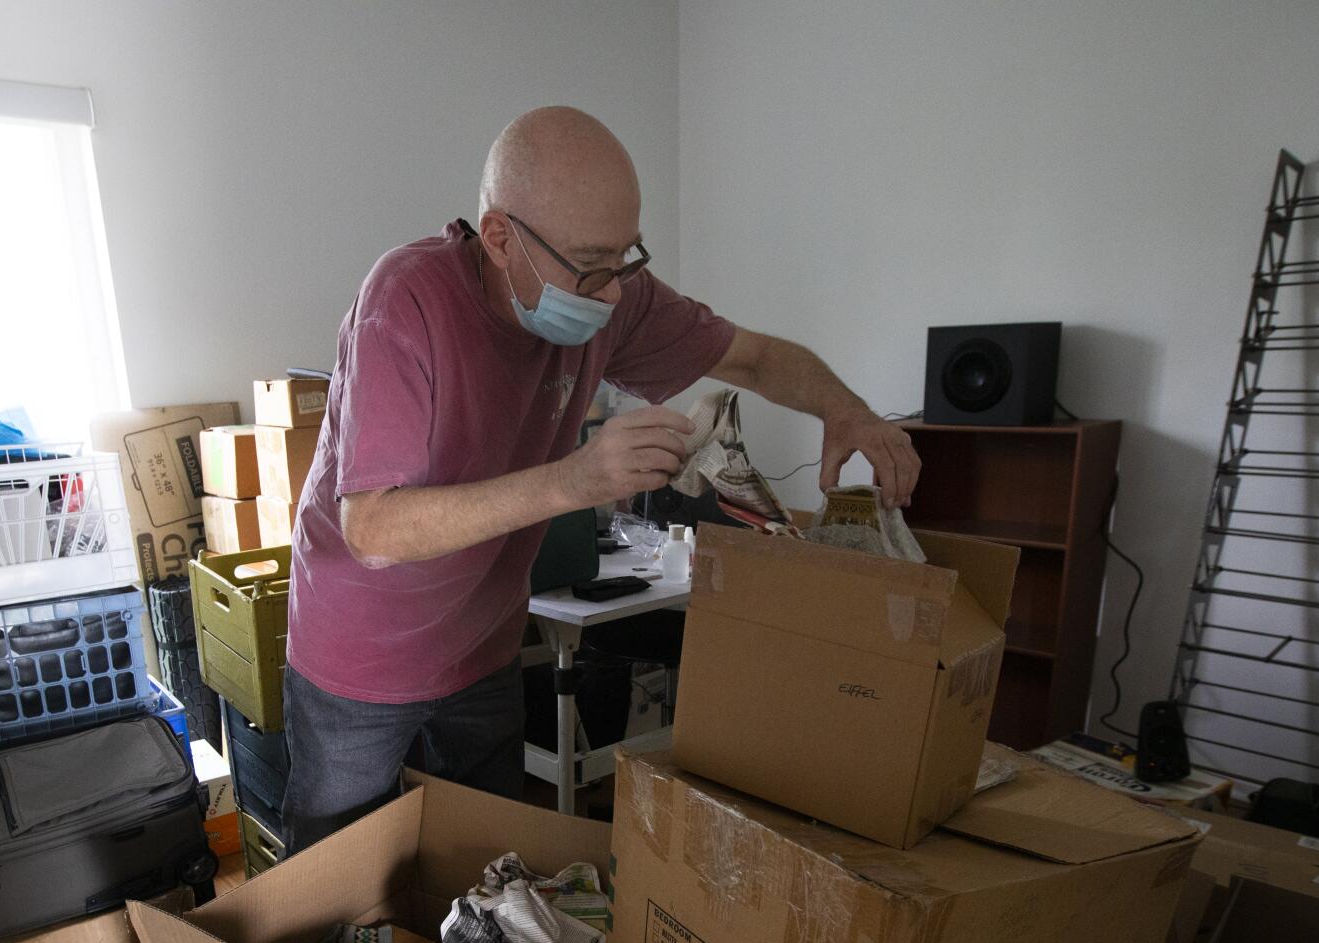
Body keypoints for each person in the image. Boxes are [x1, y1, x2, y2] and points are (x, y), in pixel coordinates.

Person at [280, 106, 920, 850]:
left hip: (480, 648)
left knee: (483, 879)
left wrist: (849, 409)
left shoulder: (609, 294)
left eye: (626, 256)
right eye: (591, 262)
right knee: (336, 897)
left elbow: (753, 358)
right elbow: (374, 528)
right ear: (499, 238)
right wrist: (575, 479)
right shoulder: (405, 303)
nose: (612, 290)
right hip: (360, 655)